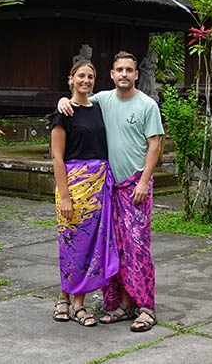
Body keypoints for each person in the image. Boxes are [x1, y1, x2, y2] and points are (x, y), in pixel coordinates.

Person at [58, 51, 163, 332]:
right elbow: (78, 103)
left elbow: (155, 145)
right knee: (114, 249)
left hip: (135, 186)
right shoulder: (103, 100)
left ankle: (146, 307)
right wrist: (62, 101)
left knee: (137, 248)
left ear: (136, 74)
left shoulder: (147, 105)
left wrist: (144, 181)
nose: (125, 74)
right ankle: (122, 304)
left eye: (130, 69)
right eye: (120, 70)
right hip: (108, 189)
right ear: (112, 74)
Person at [49, 61, 119, 327]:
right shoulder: (63, 113)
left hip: (98, 186)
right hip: (74, 185)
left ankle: (73, 301)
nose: (86, 80)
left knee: (91, 247)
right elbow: (57, 158)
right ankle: (70, 301)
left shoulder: (100, 109)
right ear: (71, 79)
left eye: (90, 76)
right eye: (81, 76)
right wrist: (65, 196)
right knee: (71, 244)